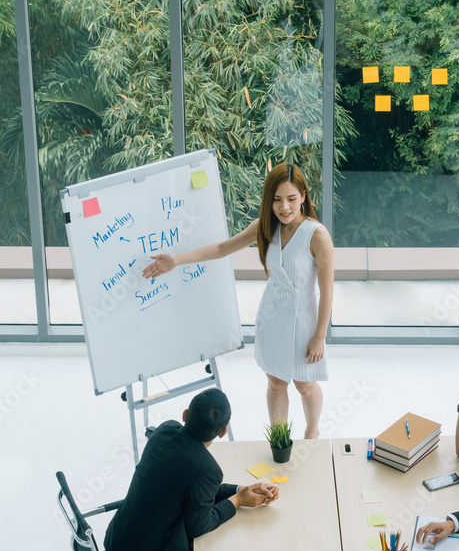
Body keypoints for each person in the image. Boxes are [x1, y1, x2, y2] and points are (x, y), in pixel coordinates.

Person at [143, 163, 334, 439]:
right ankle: (280, 438)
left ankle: (312, 433)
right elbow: (222, 248)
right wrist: (177, 259)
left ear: (304, 196)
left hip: (305, 320)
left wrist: (320, 335)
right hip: (272, 317)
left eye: (292, 199)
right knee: (277, 383)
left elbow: (327, 291)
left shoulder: (318, 235)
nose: (285, 208)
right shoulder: (266, 227)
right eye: (277, 200)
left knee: (305, 385)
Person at [103, 388, 279, 551]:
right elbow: (199, 525)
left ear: (185, 414)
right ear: (223, 431)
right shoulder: (207, 469)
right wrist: (238, 502)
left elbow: (190, 486)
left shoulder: (164, 431)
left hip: (116, 543)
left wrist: (240, 489)